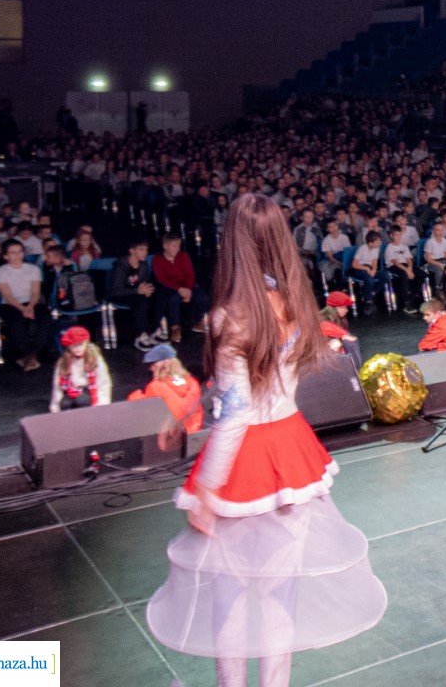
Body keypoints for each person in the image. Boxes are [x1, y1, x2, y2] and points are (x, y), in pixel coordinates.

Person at [146, 194, 386, 686]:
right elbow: (244, 388)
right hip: (290, 452)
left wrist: (208, 492)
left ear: (232, 241)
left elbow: (236, 412)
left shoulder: (227, 317)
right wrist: (190, 411)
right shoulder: (294, 302)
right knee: (279, 597)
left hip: (245, 465)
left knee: (229, 602)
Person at [128, 342, 204, 434]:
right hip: (194, 432)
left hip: (172, 438)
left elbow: (144, 411)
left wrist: (135, 396)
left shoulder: (155, 387)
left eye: (150, 366)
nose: (150, 369)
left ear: (156, 366)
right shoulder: (192, 382)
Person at [0, 238, 46, 371]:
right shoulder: (0, 272)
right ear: (6, 256)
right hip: (11, 304)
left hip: (31, 302)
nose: (17, 255)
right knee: (15, 320)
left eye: (20, 252)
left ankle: (32, 355)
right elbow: (7, 295)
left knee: (46, 318)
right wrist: (22, 308)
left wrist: (30, 306)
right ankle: (28, 355)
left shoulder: (33, 269)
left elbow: (35, 292)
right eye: (13, 253)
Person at [153, 233, 210, 338]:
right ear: (165, 246)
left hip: (186, 286)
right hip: (170, 288)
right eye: (174, 246)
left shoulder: (183, 256)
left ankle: (199, 321)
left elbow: (190, 274)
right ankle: (175, 328)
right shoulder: (158, 259)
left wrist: (187, 290)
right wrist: (179, 289)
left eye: (178, 246)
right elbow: (162, 279)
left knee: (203, 297)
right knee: (173, 299)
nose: (177, 249)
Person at [50, 326, 112, 412]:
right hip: (71, 390)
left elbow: (104, 384)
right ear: (69, 347)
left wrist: (102, 406)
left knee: (81, 400)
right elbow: (57, 385)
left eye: (80, 345)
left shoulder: (94, 358)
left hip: (89, 390)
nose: (77, 349)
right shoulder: (64, 360)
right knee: (65, 403)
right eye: (73, 346)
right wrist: (55, 407)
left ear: (86, 343)